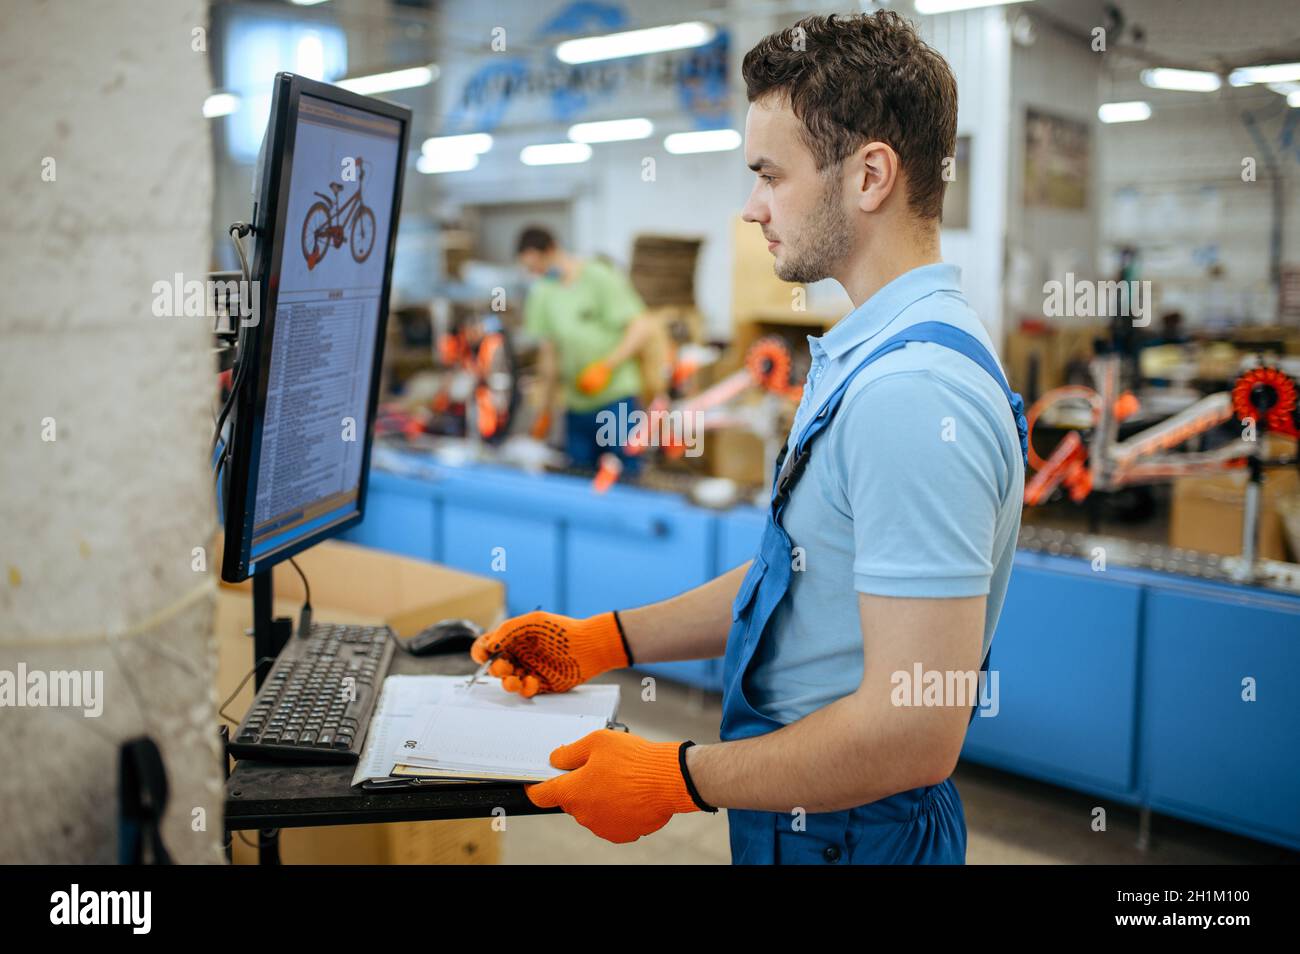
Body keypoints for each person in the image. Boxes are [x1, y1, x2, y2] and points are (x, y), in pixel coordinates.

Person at [474, 11, 1026, 864]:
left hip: (855, 833)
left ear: (870, 174)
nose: (749, 207)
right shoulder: (872, 352)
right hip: (808, 807)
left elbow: (914, 732)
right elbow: (803, 571)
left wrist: (677, 775)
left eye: (770, 174)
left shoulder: (912, 393)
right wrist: (603, 642)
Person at [517, 227, 654, 476]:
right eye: (532, 270)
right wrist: (545, 411)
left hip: (615, 399)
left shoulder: (598, 277)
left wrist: (607, 366)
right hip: (576, 404)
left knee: (626, 472)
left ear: (552, 249)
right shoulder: (543, 293)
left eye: (539, 266)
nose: (538, 274)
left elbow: (641, 326)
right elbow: (548, 356)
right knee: (579, 474)